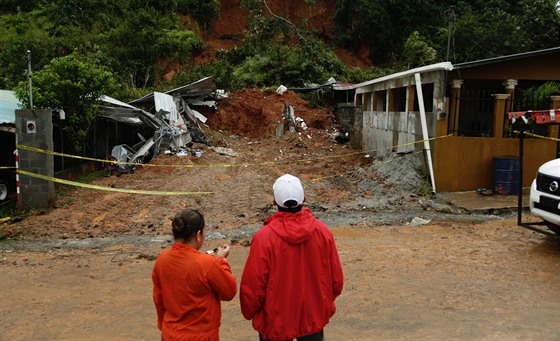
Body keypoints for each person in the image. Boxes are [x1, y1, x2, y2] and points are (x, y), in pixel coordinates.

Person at [240, 174, 344, 341]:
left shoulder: (264, 238)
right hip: (312, 315)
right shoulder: (323, 232)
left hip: (276, 319)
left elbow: (253, 285)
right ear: (304, 198)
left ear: (274, 201)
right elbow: (336, 280)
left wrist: (252, 312)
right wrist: (321, 303)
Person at [152, 208, 237, 341]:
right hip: (200, 336)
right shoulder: (205, 263)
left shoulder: (161, 260)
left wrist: (164, 326)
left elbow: (158, 299)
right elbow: (229, 291)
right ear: (198, 235)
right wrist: (221, 261)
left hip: (171, 333)